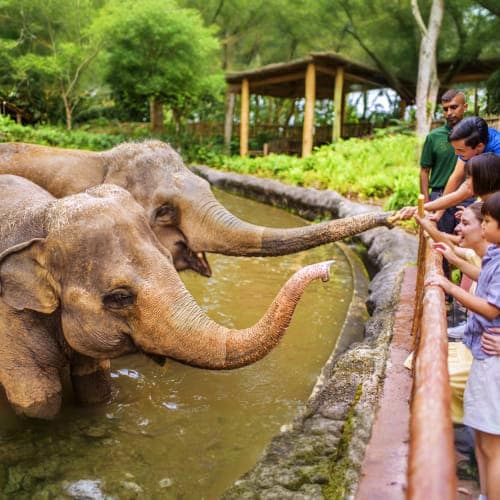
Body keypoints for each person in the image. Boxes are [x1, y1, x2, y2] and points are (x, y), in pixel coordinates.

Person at [425, 192, 500, 499]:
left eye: (487, 221)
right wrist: (454, 261)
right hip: (483, 353)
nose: (483, 226)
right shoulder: (495, 255)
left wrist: (449, 286)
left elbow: (492, 308)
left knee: (493, 446)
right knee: (483, 440)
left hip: (492, 358)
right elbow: (484, 278)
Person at [420, 89, 468, 234]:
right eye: (445, 109)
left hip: (467, 196)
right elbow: (424, 171)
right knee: (439, 241)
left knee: (467, 241)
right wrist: (427, 201)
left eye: (454, 107)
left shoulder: (474, 135)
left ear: (465, 107)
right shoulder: (433, 137)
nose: (449, 113)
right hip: (439, 196)